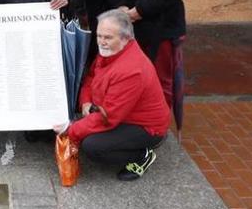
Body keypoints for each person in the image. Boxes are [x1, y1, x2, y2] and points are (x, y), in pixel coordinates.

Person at [55, 10, 169, 181]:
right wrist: (85, 101)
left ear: (126, 38)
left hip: (145, 127)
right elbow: (91, 76)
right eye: (99, 36)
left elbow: (108, 117)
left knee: (93, 147)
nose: (101, 42)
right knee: (87, 134)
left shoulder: (131, 71)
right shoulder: (113, 51)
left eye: (107, 37)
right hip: (119, 114)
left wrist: (70, 130)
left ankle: (142, 155)